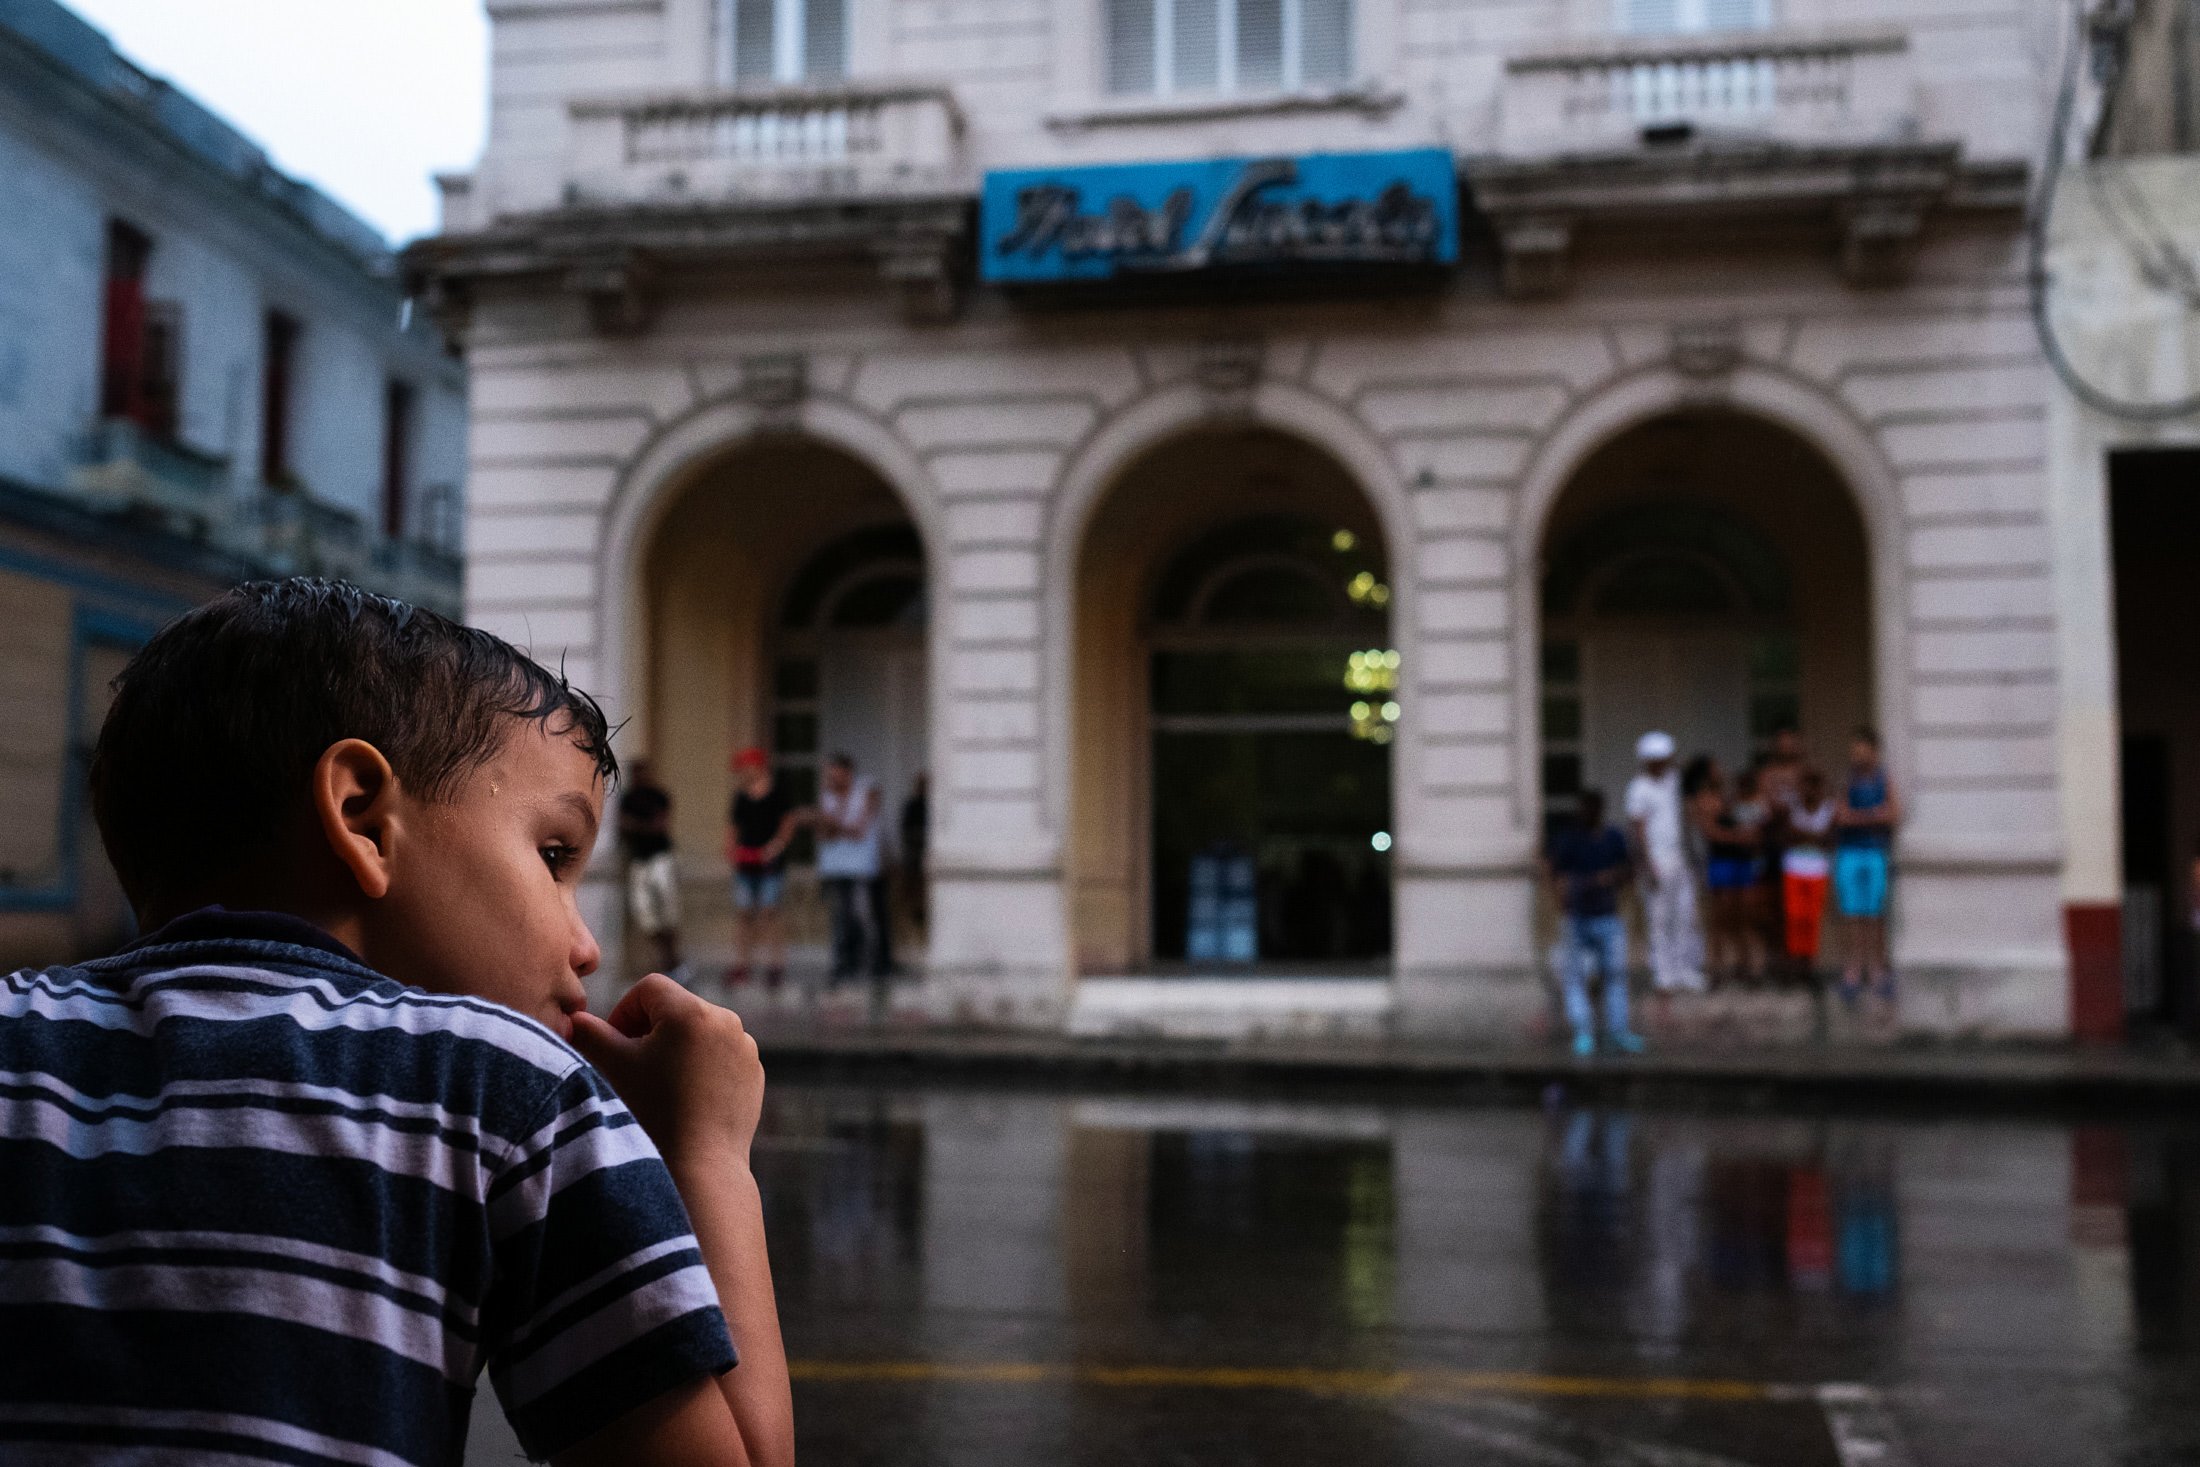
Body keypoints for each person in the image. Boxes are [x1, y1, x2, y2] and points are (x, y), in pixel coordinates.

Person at [0, 579, 792, 1466]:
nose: (586, 945)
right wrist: (707, 1151)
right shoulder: (504, 1085)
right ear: (362, 819)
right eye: (554, 854)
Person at [1545, 789, 1648, 1057]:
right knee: (1575, 977)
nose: (1588, 813)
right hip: (1576, 917)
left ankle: (1617, 1032)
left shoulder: (1612, 837)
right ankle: (1584, 1032)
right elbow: (1554, 873)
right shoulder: (1570, 839)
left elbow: (1628, 870)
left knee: (1614, 976)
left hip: (1607, 915)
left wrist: (1609, 877)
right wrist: (1563, 899)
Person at [1625, 731, 1707, 997]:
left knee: (1685, 915)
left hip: (1680, 858)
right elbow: (1637, 830)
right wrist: (1647, 866)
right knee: (1659, 919)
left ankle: (1684, 969)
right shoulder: (1638, 788)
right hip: (1656, 861)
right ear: (1646, 761)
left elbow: (1694, 773)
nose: (1661, 764)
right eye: (1655, 759)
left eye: (1665, 759)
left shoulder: (1674, 781)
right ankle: (1663, 974)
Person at [1834, 725, 1902, 1007]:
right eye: (1855, 750)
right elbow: (1841, 816)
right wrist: (1873, 815)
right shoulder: (1847, 780)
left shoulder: (1883, 780)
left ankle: (1876, 969)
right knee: (1852, 913)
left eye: (1863, 750)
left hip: (1874, 853)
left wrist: (1861, 817)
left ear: (1874, 751)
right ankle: (1853, 969)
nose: (1858, 756)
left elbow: (1894, 814)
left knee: (1875, 913)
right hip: (1850, 853)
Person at [727, 746, 800, 991]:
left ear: (757, 767)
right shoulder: (740, 796)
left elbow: (788, 824)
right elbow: (734, 828)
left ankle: (775, 965)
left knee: (770, 912)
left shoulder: (778, 794)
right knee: (744, 913)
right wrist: (731, 849)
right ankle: (742, 964)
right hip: (746, 862)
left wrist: (776, 847)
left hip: (770, 864)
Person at [815, 752, 885, 1004]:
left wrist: (836, 822)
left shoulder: (865, 789)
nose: (832, 779)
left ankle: (870, 965)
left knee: (862, 915)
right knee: (839, 918)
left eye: (836, 774)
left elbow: (857, 829)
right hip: (836, 868)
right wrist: (835, 822)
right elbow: (825, 833)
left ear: (847, 772)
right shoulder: (828, 796)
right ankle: (843, 965)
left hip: (861, 869)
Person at [1699, 764, 1769, 986]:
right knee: (1720, 918)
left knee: (1745, 916)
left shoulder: (1735, 800)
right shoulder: (1707, 800)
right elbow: (1711, 832)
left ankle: (1746, 963)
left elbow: (1757, 828)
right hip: (1722, 863)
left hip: (1742, 863)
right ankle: (1716, 967)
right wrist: (1740, 837)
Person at [617, 756, 685, 981]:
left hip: (660, 858)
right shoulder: (628, 799)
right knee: (646, 915)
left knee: (668, 912)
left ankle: (673, 960)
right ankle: (662, 961)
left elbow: (659, 825)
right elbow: (623, 824)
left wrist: (637, 825)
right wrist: (641, 826)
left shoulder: (658, 796)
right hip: (639, 860)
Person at [1782, 767, 1838, 980]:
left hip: (1818, 870)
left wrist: (1805, 836)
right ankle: (1796, 959)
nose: (1811, 790)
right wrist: (1813, 836)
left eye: (1815, 785)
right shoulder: (1793, 808)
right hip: (1794, 869)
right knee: (1795, 915)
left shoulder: (1828, 808)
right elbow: (1790, 834)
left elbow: (1828, 837)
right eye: (1807, 785)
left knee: (1811, 918)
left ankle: (1810, 961)